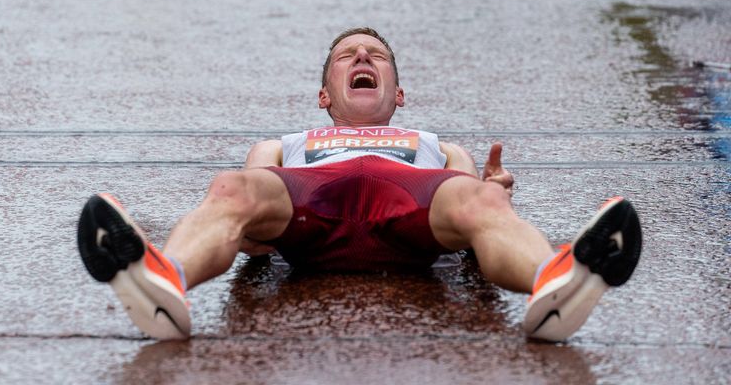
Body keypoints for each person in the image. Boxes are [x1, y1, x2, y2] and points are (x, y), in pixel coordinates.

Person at [77, 27, 642, 341]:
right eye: (348, 55)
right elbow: (248, 227)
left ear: (398, 95)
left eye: (376, 56)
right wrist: (247, 223)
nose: (363, 56)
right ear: (326, 96)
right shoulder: (284, 143)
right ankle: (164, 280)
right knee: (231, 188)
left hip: (412, 208)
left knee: (482, 197)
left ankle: (554, 283)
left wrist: (496, 198)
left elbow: (471, 231)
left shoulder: (439, 145)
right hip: (309, 207)